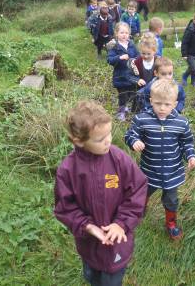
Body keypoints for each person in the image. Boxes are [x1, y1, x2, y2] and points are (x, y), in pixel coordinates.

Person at [54, 100, 147, 286]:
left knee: (112, 280)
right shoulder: (68, 170)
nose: (108, 141)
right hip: (89, 243)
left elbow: (138, 189)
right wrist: (87, 226)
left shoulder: (119, 158)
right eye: (100, 139)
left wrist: (121, 224)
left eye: (109, 134)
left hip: (118, 242)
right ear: (78, 141)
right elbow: (65, 208)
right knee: (91, 276)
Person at [125, 79, 195, 240]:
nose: (162, 108)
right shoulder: (142, 119)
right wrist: (134, 141)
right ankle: (139, 212)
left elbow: (187, 142)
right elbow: (130, 135)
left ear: (175, 103)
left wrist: (191, 156)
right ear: (151, 101)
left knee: (171, 200)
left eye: (167, 104)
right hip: (149, 170)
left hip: (172, 171)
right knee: (142, 193)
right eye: (158, 103)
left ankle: (171, 223)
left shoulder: (181, 122)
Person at [107, 22, 139, 121]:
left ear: (129, 33)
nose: (124, 35)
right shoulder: (115, 47)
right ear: (116, 34)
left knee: (133, 94)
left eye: (126, 32)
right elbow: (110, 60)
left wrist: (135, 60)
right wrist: (119, 57)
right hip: (120, 77)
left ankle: (132, 110)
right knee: (123, 96)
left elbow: (137, 56)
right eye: (121, 33)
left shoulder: (131, 45)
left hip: (132, 76)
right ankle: (121, 112)